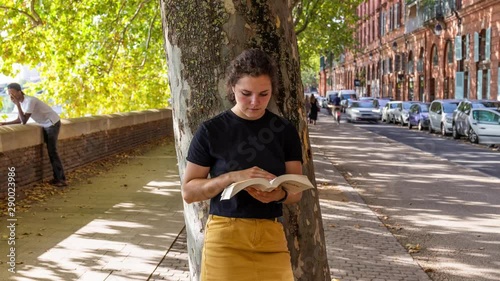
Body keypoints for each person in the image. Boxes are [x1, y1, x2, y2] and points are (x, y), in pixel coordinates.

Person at [182, 48, 304, 281]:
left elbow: (296, 192)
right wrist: (231, 177)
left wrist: (278, 194)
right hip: (225, 237)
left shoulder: (284, 130)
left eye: (264, 94)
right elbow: (188, 192)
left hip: (271, 235)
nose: (255, 102)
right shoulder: (211, 131)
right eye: (246, 93)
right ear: (232, 88)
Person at [1, 83, 67, 187]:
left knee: (52, 151)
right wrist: (4, 124)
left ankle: (61, 179)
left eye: (12, 93)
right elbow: (19, 119)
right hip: (44, 124)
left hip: (52, 123)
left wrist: (17, 104)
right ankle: (57, 178)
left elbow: (24, 121)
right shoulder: (21, 103)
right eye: (9, 94)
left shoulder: (29, 101)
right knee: (50, 151)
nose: (11, 96)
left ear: (19, 91)